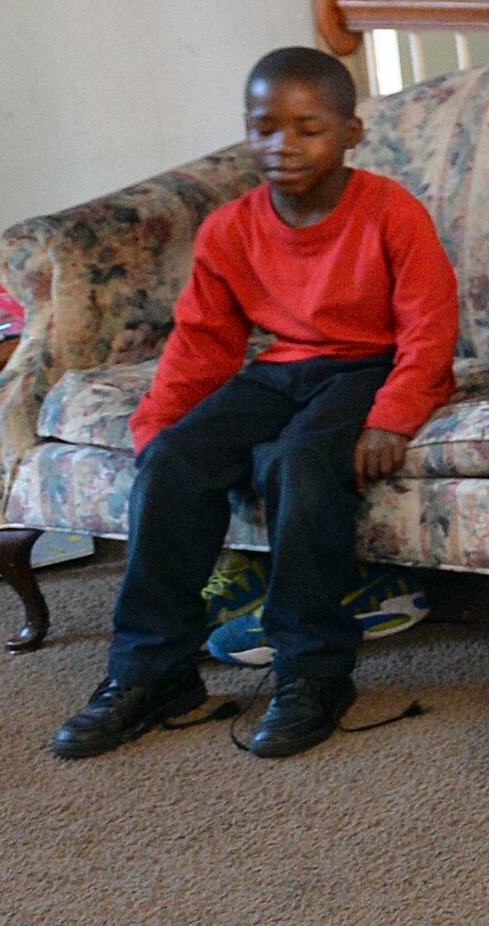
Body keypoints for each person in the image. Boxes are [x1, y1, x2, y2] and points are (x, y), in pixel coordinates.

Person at [48, 45, 457, 764]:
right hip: (281, 369)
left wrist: (393, 415)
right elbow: (202, 342)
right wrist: (158, 427)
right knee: (174, 460)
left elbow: (429, 325)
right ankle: (152, 673)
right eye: (263, 128)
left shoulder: (391, 212)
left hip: (368, 366)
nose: (282, 146)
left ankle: (313, 673)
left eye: (307, 129)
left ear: (351, 133)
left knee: (299, 462)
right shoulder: (230, 227)